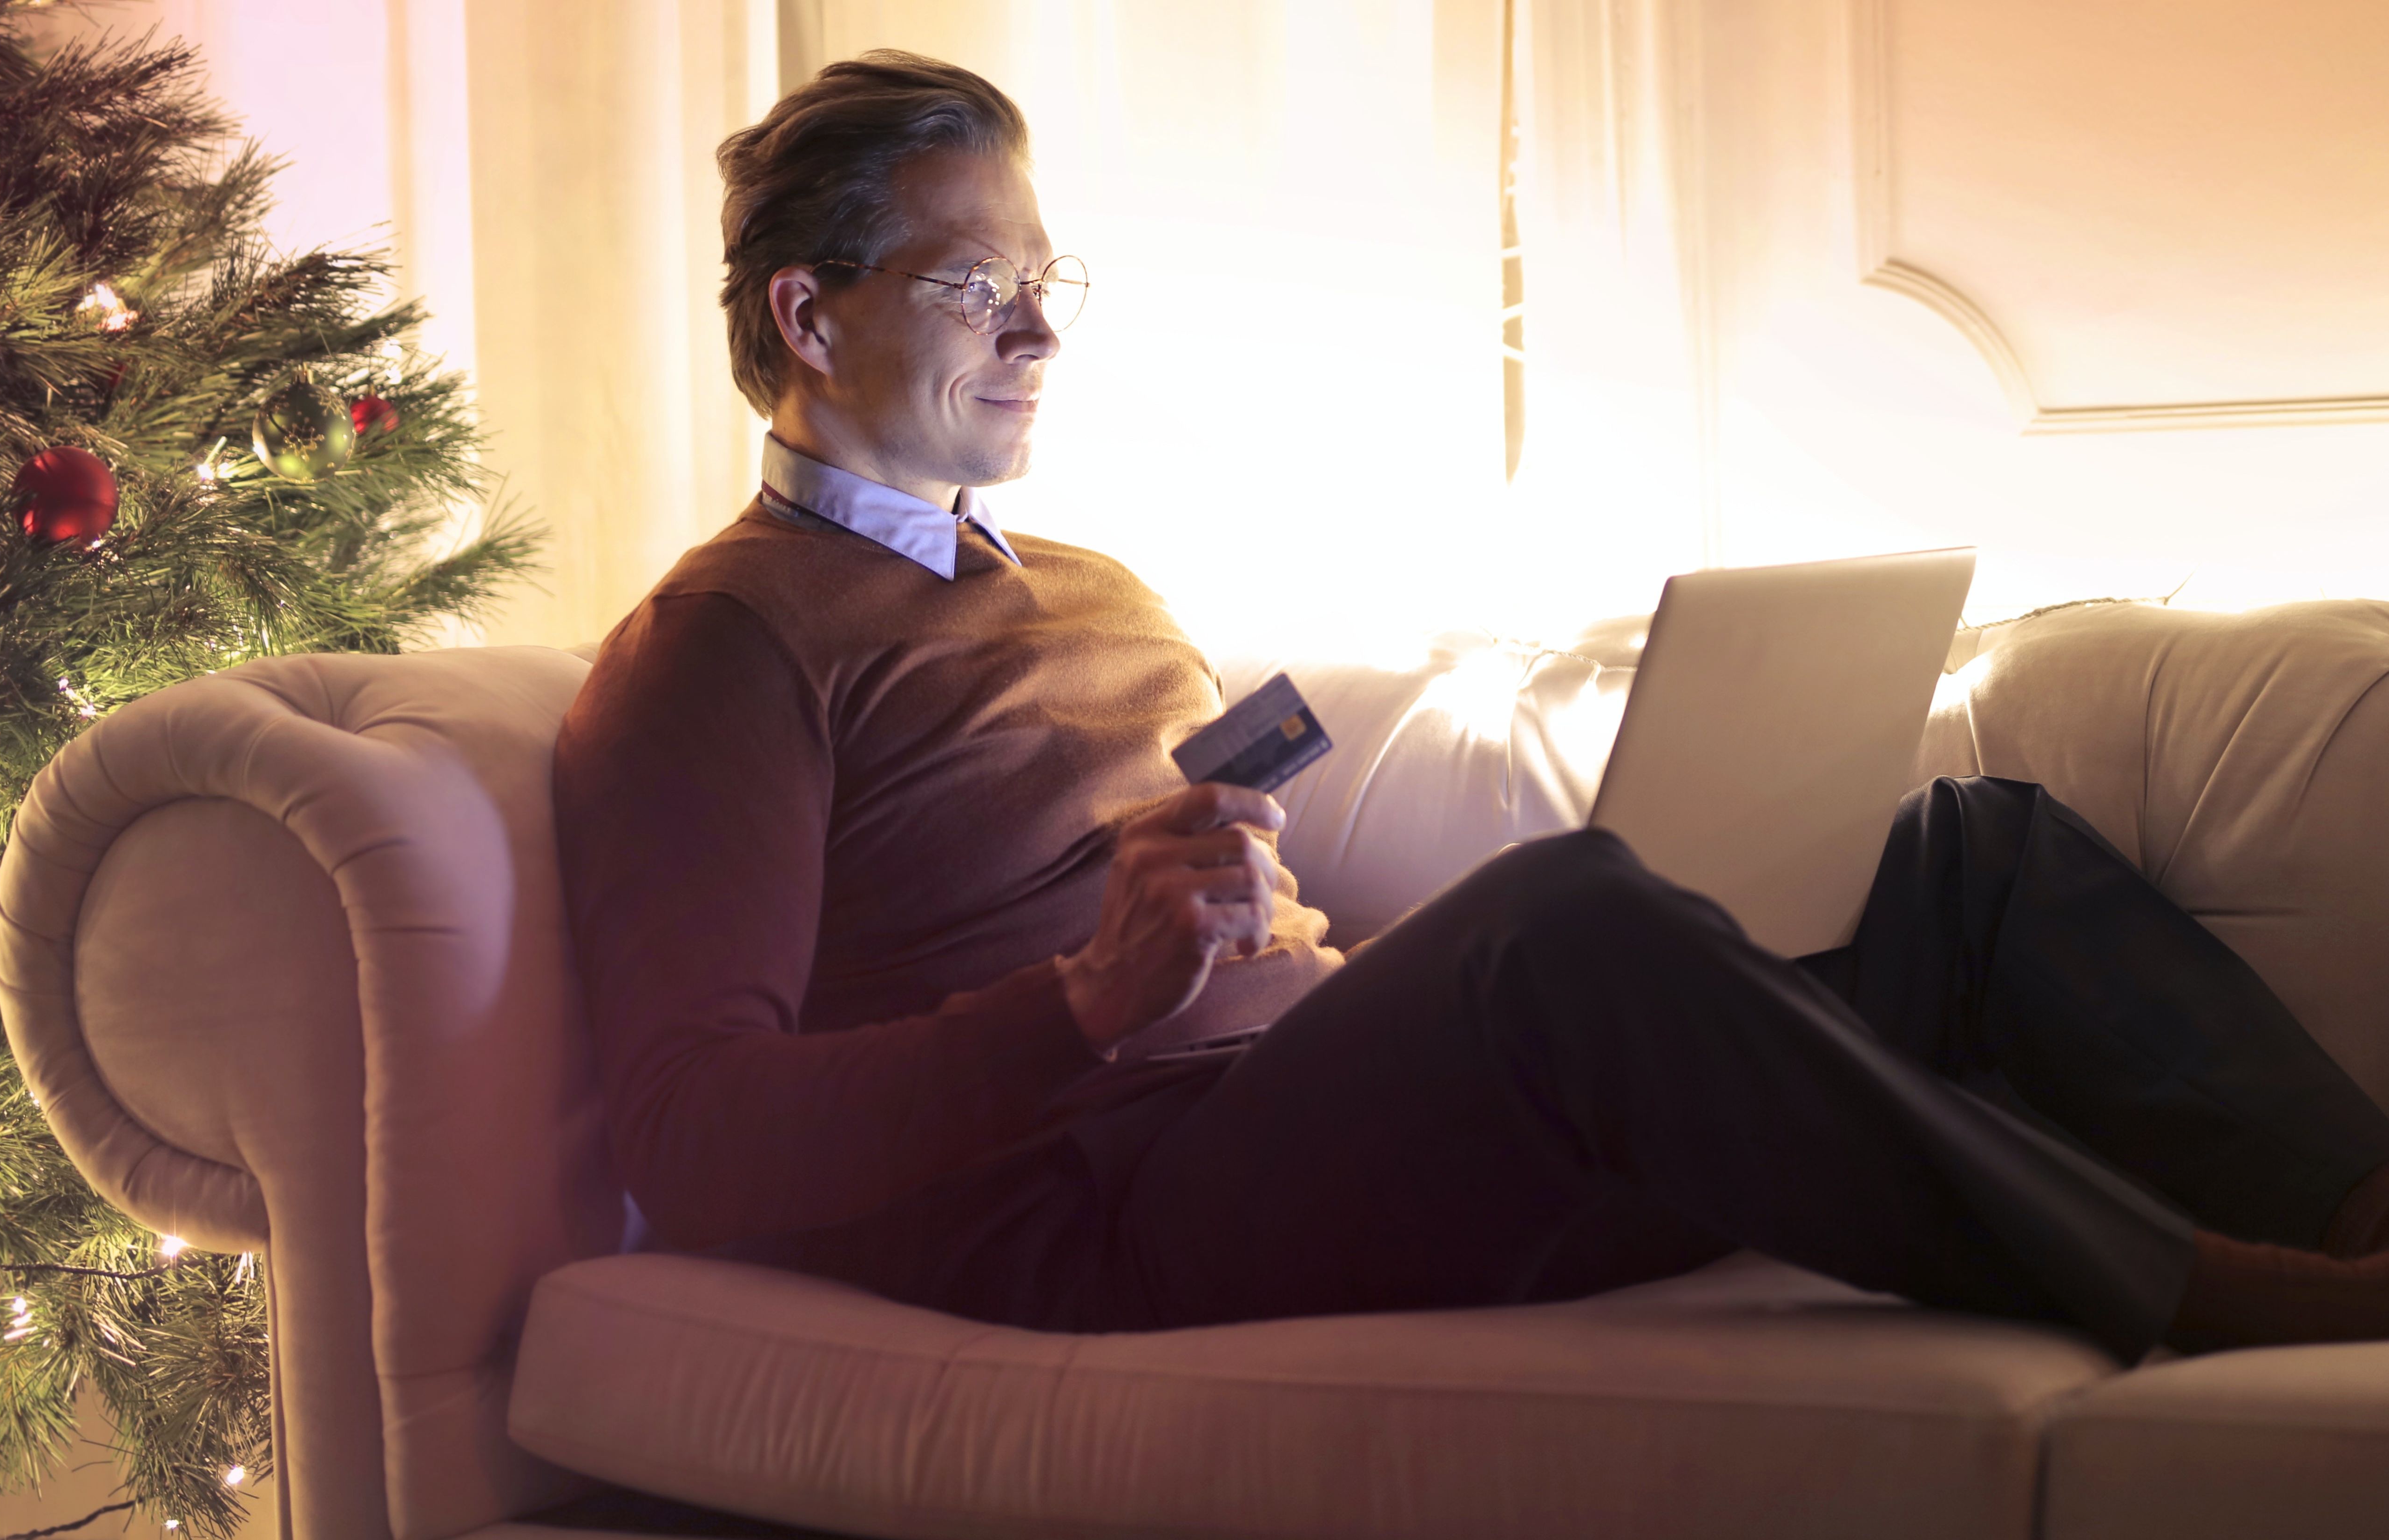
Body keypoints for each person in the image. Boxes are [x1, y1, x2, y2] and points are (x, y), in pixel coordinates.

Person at [552, 50, 2389, 1361]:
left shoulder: (1096, 585)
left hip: (1306, 1123)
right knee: (1562, 918)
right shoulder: (721, 647)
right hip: (1108, 1213)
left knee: (1956, 852)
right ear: (807, 319)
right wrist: (1084, 1001)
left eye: (1048, 285)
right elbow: (691, 1136)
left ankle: (2357, 1214)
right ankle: (2213, 1298)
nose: (1039, 333)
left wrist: (1338, 975)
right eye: (978, 286)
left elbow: (1270, 934)